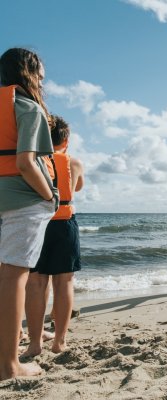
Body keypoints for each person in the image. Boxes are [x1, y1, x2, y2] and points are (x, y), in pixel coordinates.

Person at [0, 48, 57, 380]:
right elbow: (25, 163)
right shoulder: (28, 108)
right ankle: (9, 365)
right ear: (29, 73)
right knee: (13, 280)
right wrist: (50, 195)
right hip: (22, 202)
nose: (42, 83)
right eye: (41, 77)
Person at [23, 116, 84, 357]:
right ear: (66, 140)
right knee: (64, 282)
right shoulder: (75, 163)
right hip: (65, 224)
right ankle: (59, 341)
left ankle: (35, 343)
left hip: (38, 223)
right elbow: (77, 187)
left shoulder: (35, 161)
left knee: (36, 283)